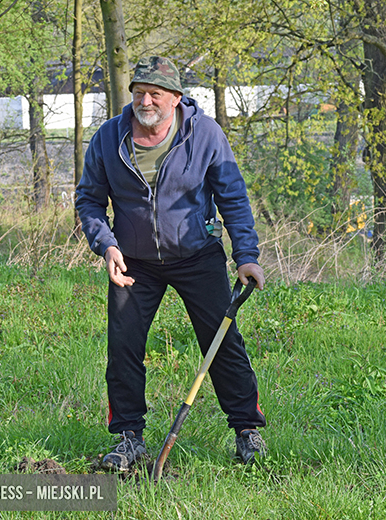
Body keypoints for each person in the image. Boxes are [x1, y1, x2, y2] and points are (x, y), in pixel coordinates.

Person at [76, 56, 267, 471]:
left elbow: (233, 197)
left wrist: (246, 256)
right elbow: (89, 200)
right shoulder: (109, 138)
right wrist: (106, 246)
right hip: (133, 262)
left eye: (155, 94)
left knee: (222, 343)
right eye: (139, 92)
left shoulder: (205, 134)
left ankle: (247, 432)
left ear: (176, 98)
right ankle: (129, 438)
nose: (146, 100)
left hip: (196, 254)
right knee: (123, 347)